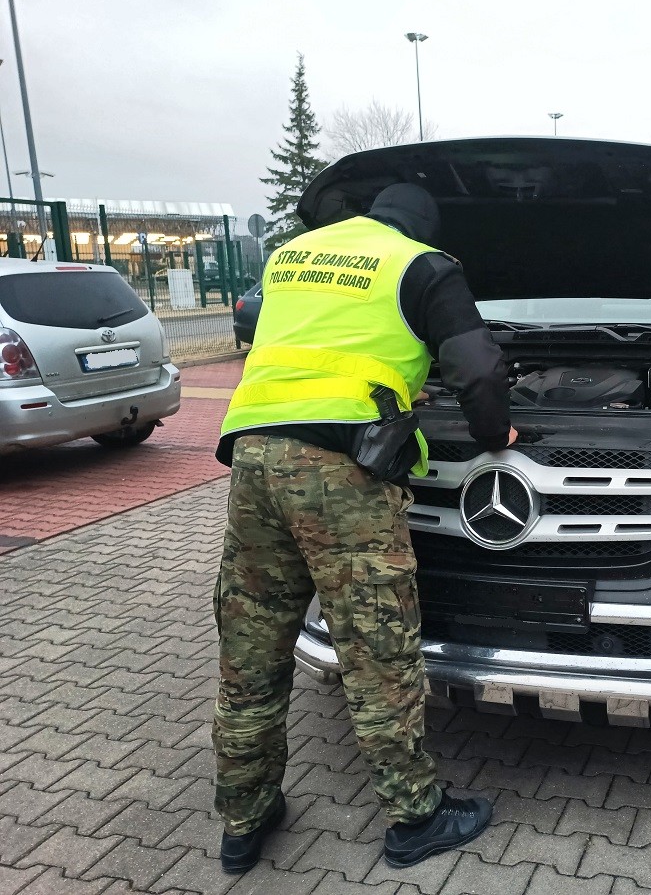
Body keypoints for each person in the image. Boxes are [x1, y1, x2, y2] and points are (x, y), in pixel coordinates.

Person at [211, 183, 514, 874]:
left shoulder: (290, 255)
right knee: (377, 644)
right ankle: (416, 818)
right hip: (340, 473)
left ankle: (243, 819)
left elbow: (316, 344)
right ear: (422, 229)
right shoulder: (421, 265)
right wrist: (496, 432)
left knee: (252, 645)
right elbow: (479, 368)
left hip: (253, 457)